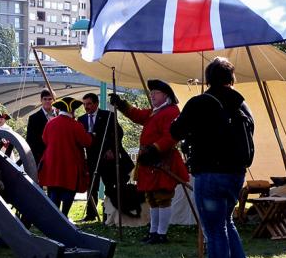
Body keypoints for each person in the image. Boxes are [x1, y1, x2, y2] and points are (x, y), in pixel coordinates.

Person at [170, 57, 254, 258]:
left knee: (214, 228)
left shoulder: (201, 102)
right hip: (236, 173)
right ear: (231, 78)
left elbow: (176, 131)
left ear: (208, 79)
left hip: (211, 172)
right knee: (226, 221)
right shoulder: (241, 104)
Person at [109, 80, 189, 243]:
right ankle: (153, 231)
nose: (152, 95)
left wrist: (154, 148)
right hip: (149, 160)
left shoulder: (171, 111)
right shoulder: (156, 111)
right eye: (151, 93)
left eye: (155, 93)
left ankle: (162, 233)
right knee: (152, 198)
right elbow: (138, 115)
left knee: (162, 197)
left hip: (162, 160)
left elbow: (171, 136)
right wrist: (122, 105)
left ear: (165, 95)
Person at [77, 92, 132, 221]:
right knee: (92, 187)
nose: (86, 107)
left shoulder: (108, 116)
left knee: (109, 186)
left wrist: (112, 149)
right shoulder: (81, 120)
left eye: (89, 104)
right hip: (91, 159)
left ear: (96, 103)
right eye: (84, 104)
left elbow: (119, 133)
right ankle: (91, 214)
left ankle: (108, 213)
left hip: (107, 159)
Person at [39, 97, 92, 216]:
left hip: (52, 163)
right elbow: (87, 142)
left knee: (54, 190)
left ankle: (55, 217)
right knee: (69, 189)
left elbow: (45, 139)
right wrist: (90, 134)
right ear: (72, 111)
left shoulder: (50, 123)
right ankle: (64, 215)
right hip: (70, 163)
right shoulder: (76, 125)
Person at [25, 88, 56, 167]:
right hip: (42, 158)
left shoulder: (60, 115)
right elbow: (30, 141)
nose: (47, 101)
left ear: (54, 100)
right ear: (41, 100)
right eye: (45, 99)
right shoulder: (33, 118)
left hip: (59, 157)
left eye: (50, 99)